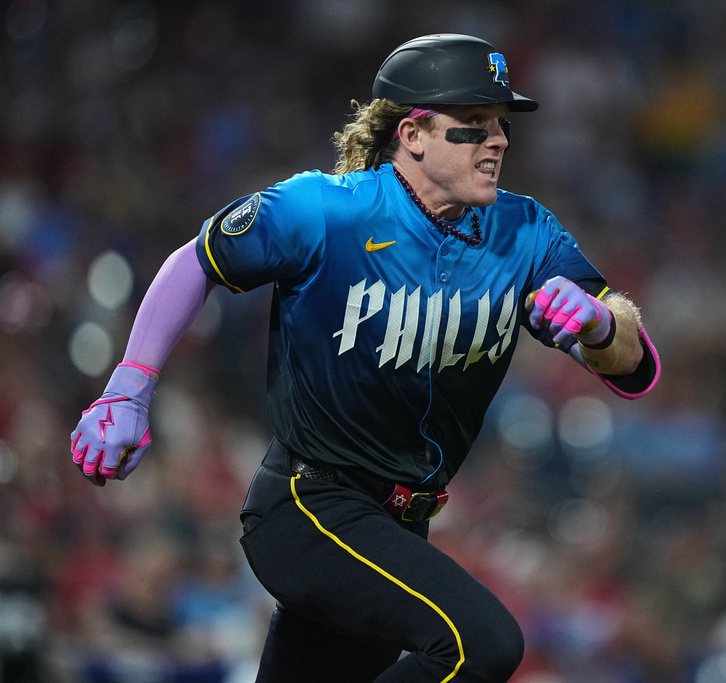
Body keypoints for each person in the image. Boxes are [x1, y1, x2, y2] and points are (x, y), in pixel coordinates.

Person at [70, 33, 661, 682]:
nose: (497, 140)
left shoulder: (527, 233)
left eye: (500, 125)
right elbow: (198, 260)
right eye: (473, 124)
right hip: (310, 506)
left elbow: (635, 367)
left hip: (399, 525)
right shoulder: (328, 209)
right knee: (481, 643)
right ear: (413, 135)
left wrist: (602, 324)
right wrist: (128, 387)